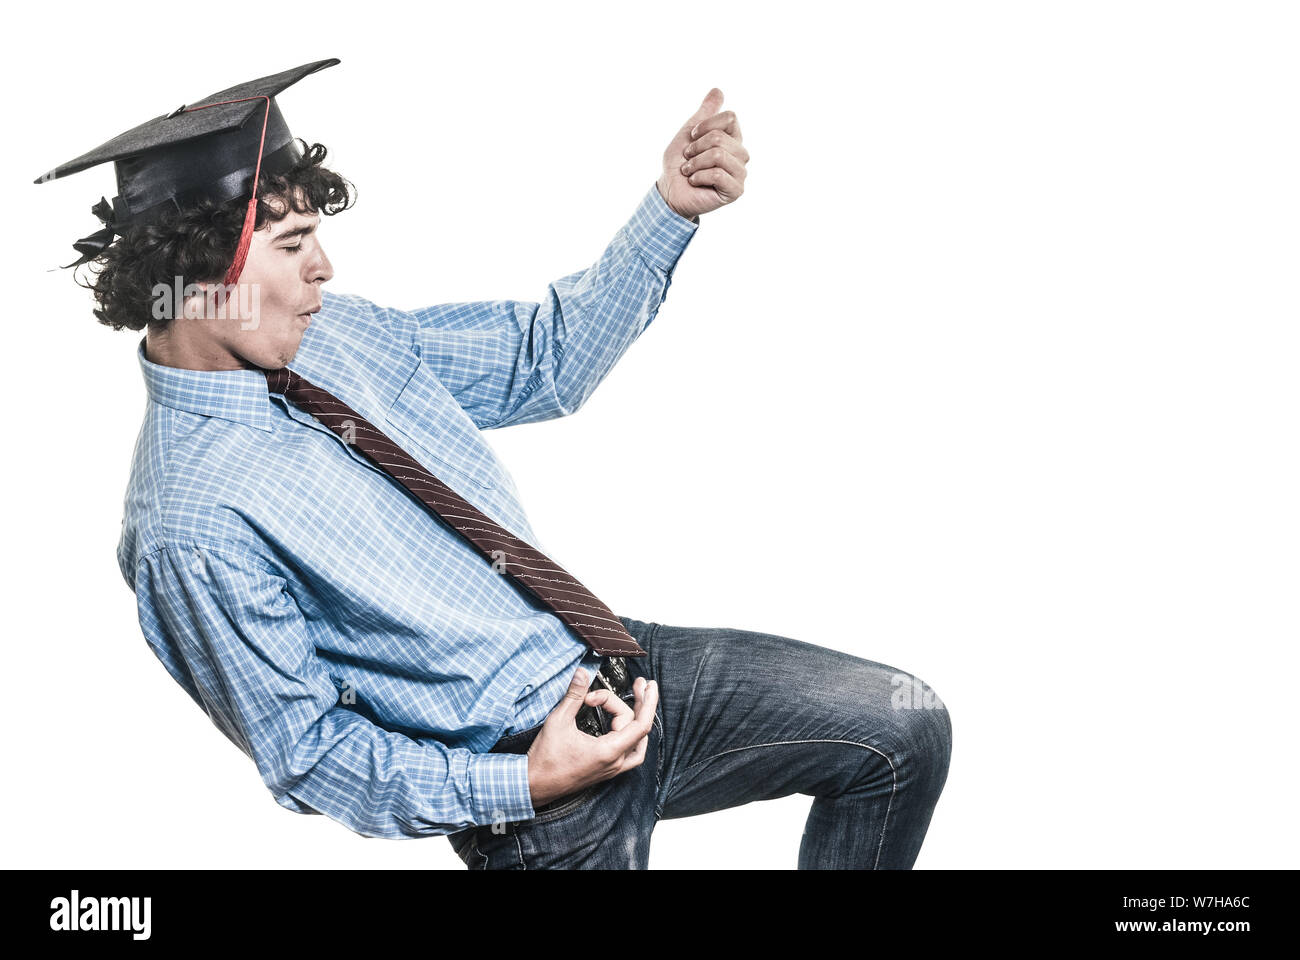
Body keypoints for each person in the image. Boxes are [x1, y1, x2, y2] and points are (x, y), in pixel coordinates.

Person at [39, 58, 951, 869]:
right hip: (533, 801)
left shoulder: (336, 334)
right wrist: (525, 783)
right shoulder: (187, 522)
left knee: (905, 726)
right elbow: (312, 752)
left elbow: (542, 361)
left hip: (618, 666)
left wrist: (670, 207)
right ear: (196, 277)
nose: (325, 268)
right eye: (290, 246)